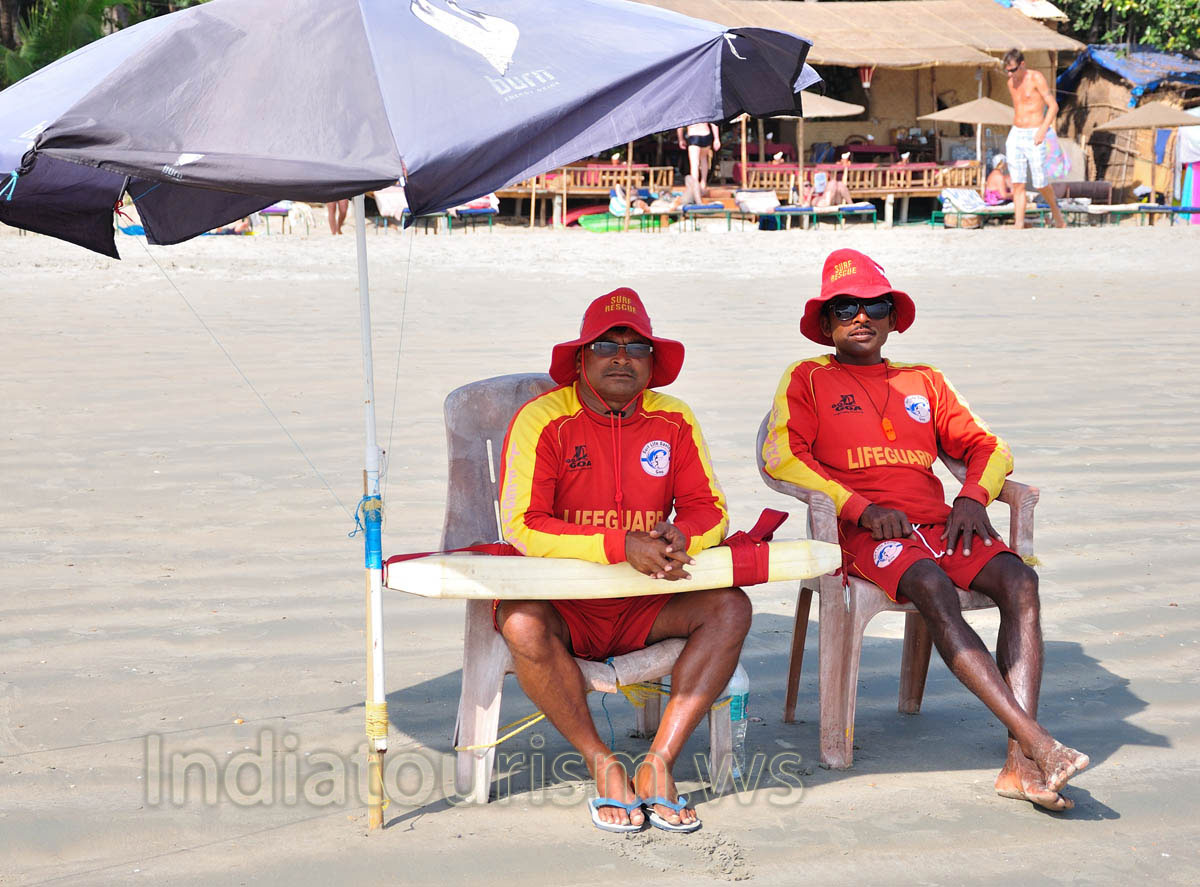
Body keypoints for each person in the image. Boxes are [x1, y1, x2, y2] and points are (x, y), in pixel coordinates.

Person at [762, 248, 1089, 811]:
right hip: (865, 531)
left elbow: (991, 447)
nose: (861, 317)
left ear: (892, 318)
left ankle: (1018, 761)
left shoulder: (926, 380)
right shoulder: (807, 378)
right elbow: (782, 457)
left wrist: (971, 496)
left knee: (1021, 584)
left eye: (875, 306)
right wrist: (860, 508)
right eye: (845, 308)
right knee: (934, 589)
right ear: (825, 323)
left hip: (941, 523)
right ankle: (1038, 742)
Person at [497, 288, 749, 833]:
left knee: (731, 607)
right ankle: (602, 762)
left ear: (652, 364)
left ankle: (659, 762)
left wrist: (683, 537)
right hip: (565, 604)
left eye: (637, 347)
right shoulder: (542, 419)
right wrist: (619, 546)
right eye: (606, 345)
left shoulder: (674, 419)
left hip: (647, 601)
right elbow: (521, 525)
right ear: (581, 359)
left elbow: (711, 510)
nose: (621, 357)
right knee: (519, 622)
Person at [1003, 48, 1066, 229]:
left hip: (1036, 131)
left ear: (1022, 65)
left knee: (1040, 182)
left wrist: (1043, 130)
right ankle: (1019, 223)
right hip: (1016, 132)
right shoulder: (1010, 83)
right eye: (1007, 70)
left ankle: (1057, 214)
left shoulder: (1036, 78)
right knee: (1017, 182)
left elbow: (1053, 106)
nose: (1010, 74)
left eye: (1013, 70)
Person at [675, 122, 720, 193]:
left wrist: (681, 139)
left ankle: (695, 185)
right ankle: (703, 183)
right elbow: (714, 123)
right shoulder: (705, 110)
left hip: (694, 135)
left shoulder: (687, 111)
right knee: (704, 159)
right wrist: (716, 138)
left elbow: (680, 126)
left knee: (694, 163)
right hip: (706, 134)